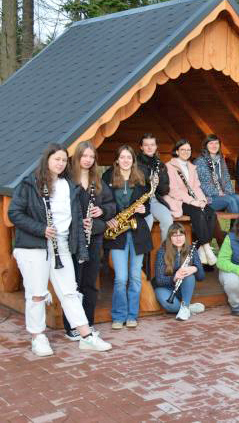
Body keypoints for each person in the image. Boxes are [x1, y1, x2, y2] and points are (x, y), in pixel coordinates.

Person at [9, 143, 112, 356]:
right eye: (57, 159)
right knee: (37, 294)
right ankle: (38, 337)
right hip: (34, 246)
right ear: (47, 159)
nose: (60, 163)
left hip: (62, 245)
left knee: (70, 291)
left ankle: (85, 336)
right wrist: (42, 229)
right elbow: (15, 214)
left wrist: (81, 225)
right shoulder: (30, 184)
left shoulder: (68, 185)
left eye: (64, 160)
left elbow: (72, 215)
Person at [62, 141, 115, 340]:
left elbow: (111, 205)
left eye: (91, 157)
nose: (88, 160)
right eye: (84, 156)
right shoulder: (66, 180)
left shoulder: (98, 181)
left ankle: (88, 324)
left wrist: (102, 211)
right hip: (74, 239)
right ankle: (71, 327)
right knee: (73, 283)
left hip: (94, 237)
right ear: (77, 157)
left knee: (90, 282)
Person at [102, 145, 154, 329]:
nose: (125, 160)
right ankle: (118, 315)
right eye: (122, 157)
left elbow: (148, 205)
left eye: (129, 157)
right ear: (117, 159)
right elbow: (103, 203)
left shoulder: (141, 178)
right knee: (121, 278)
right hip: (118, 233)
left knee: (135, 277)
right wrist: (108, 218)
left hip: (137, 231)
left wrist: (143, 209)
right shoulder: (108, 177)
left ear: (133, 160)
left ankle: (132, 315)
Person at [164, 139, 218, 266]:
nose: (186, 152)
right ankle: (207, 248)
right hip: (178, 200)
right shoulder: (169, 167)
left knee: (211, 213)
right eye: (183, 149)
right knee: (198, 214)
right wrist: (193, 201)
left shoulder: (192, 167)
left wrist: (202, 200)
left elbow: (197, 187)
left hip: (194, 200)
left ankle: (200, 248)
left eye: (188, 150)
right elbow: (173, 190)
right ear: (177, 151)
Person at [152, 223, 205, 320]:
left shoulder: (191, 250)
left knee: (189, 276)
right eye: (175, 235)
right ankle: (187, 308)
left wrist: (195, 268)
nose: (178, 238)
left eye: (181, 235)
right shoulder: (162, 252)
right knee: (170, 306)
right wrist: (175, 277)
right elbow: (159, 280)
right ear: (170, 238)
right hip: (165, 288)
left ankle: (184, 307)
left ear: (185, 236)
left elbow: (201, 277)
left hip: (183, 289)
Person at [193, 134, 239, 213]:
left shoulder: (221, 160)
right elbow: (203, 185)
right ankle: (237, 225)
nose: (214, 146)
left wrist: (228, 192)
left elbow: (226, 179)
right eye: (211, 143)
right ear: (206, 146)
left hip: (221, 194)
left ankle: (238, 224)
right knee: (230, 200)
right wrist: (218, 192)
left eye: (216, 143)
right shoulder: (200, 162)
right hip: (207, 197)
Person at [137, 133, 172, 241]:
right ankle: (143, 255)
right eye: (146, 145)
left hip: (154, 200)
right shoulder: (135, 163)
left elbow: (165, 189)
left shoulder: (160, 165)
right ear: (141, 147)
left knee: (168, 220)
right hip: (139, 201)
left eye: (152, 144)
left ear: (156, 147)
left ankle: (164, 253)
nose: (149, 147)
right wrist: (148, 181)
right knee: (147, 221)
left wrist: (159, 182)